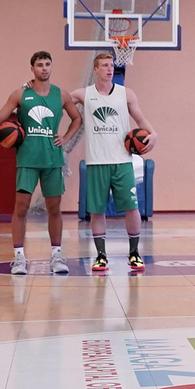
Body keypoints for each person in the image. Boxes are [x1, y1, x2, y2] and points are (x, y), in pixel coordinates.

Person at [0, 51, 81, 274]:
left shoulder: (61, 95)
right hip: (27, 159)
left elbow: (78, 118)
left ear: (52, 67)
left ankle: (56, 256)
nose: (44, 68)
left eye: (47, 64)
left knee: (54, 208)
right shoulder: (21, 94)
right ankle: (19, 257)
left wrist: (65, 138)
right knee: (21, 208)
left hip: (52, 159)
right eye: (39, 65)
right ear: (32, 69)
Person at [69, 52, 157, 273]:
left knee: (132, 208)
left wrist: (153, 133)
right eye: (105, 66)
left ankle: (134, 253)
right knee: (97, 211)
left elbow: (140, 118)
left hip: (122, 160)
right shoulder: (83, 94)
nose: (109, 69)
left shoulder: (126, 94)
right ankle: (100, 256)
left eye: (111, 65)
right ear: (95, 70)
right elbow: (56, 100)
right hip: (96, 162)